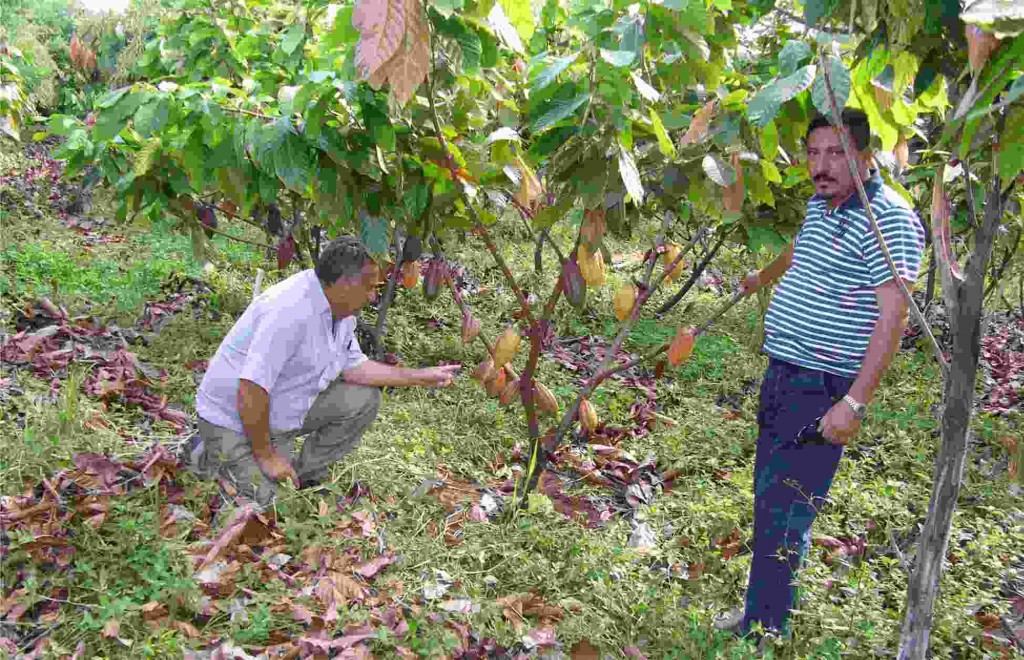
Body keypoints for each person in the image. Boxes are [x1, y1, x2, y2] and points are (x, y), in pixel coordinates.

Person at [732, 109, 926, 638]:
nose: (822, 166)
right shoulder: (823, 207)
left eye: (837, 153)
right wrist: (761, 277)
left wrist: (854, 404)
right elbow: (800, 253)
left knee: (787, 507)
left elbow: (894, 313)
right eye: (814, 154)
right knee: (771, 498)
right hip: (785, 373)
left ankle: (765, 630)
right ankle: (763, 614)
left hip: (821, 386)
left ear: (866, 158)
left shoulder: (888, 218)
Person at [191, 235, 461, 506]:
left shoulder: (338, 310)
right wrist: (267, 457)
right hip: (233, 420)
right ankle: (209, 452)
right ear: (345, 284)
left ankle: (305, 474)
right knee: (273, 509)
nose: (372, 296)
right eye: (369, 288)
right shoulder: (289, 310)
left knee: (364, 399)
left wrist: (420, 376)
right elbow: (251, 389)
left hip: (274, 414)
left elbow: (355, 368)